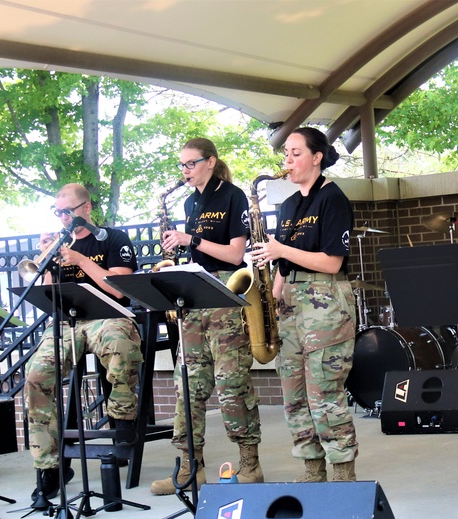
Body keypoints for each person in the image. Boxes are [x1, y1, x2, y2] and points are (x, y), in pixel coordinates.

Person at [149, 138, 264, 495]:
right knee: (188, 384)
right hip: (193, 295)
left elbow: (234, 255)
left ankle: (249, 463)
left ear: (210, 162)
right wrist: (178, 247)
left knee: (232, 383)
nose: (184, 171)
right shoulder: (189, 201)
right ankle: (189, 467)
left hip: (224, 291)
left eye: (190, 164)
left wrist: (191, 239)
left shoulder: (232, 196)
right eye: (181, 165)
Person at [249, 127, 358, 482]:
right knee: (293, 393)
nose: (288, 161)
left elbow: (332, 262)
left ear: (317, 157)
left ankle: (343, 475)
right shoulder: (290, 204)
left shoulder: (334, 198)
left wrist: (281, 250)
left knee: (324, 392)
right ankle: (313, 470)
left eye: (296, 153)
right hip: (292, 305)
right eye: (286, 154)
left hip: (326, 301)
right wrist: (270, 304)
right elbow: (283, 264)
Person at [23, 183, 143, 502]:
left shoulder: (114, 239)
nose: (62, 218)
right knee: (36, 377)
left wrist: (79, 260)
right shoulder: (61, 245)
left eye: (68, 211)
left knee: (121, 344)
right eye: (57, 212)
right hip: (69, 322)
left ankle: (122, 418)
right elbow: (48, 294)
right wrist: (47, 260)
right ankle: (49, 467)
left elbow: (119, 289)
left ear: (86, 209)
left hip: (109, 317)